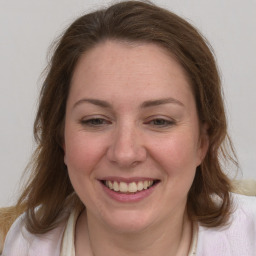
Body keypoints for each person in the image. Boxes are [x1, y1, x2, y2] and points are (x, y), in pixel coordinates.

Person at [1, 0, 256, 255]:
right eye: (96, 121)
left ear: (202, 142)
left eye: (159, 121)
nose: (125, 153)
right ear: (62, 139)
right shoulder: (26, 242)